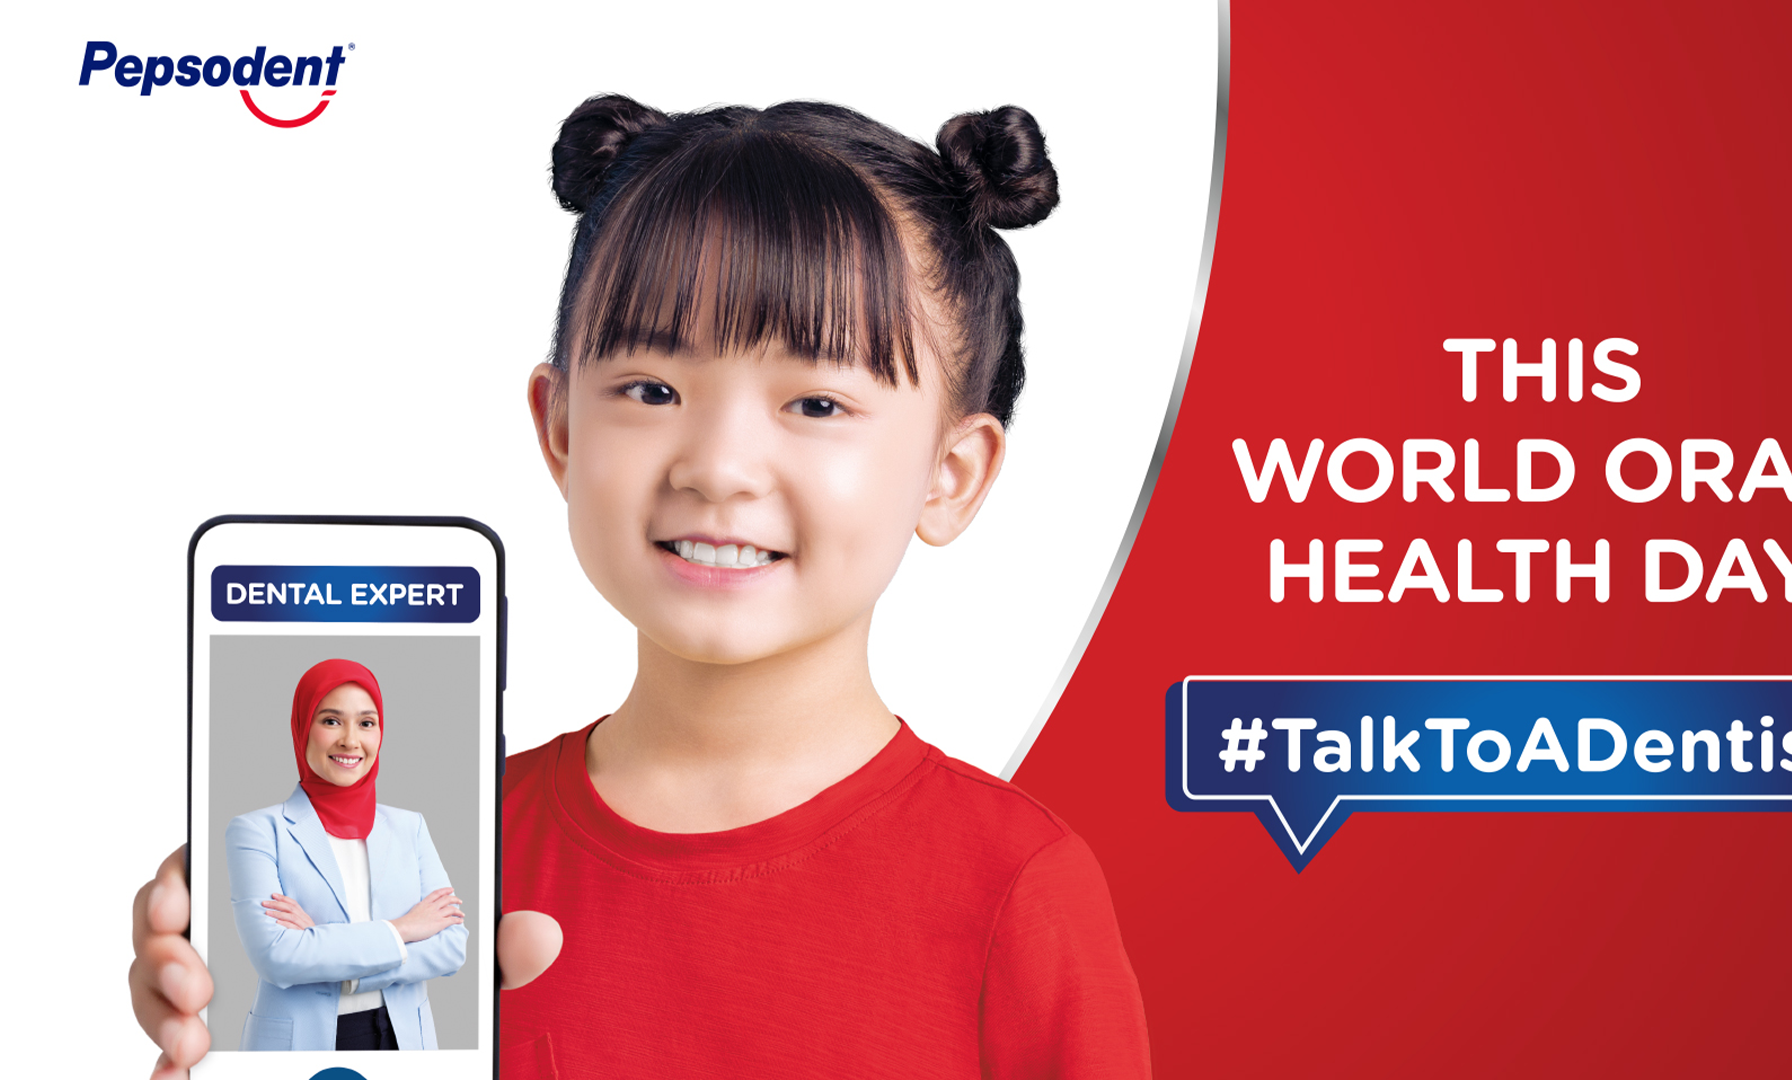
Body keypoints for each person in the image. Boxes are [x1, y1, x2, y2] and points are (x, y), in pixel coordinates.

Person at [133, 96, 1150, 1078]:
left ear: (951, 474)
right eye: (652, 391)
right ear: (562, 427)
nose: (717, 464)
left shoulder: (1017, 889)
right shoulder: (452, 861)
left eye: (815, 400)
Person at [223, 658, 468, 1051]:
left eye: (366, 723)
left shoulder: (411, 827)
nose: (351, 741)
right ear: (302, 728)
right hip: (301, 1045)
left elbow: (452, 946)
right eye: (331, 721)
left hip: (403, 1040)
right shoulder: (256, 831)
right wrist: (405, 928)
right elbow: (277, 957)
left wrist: (323, 945)